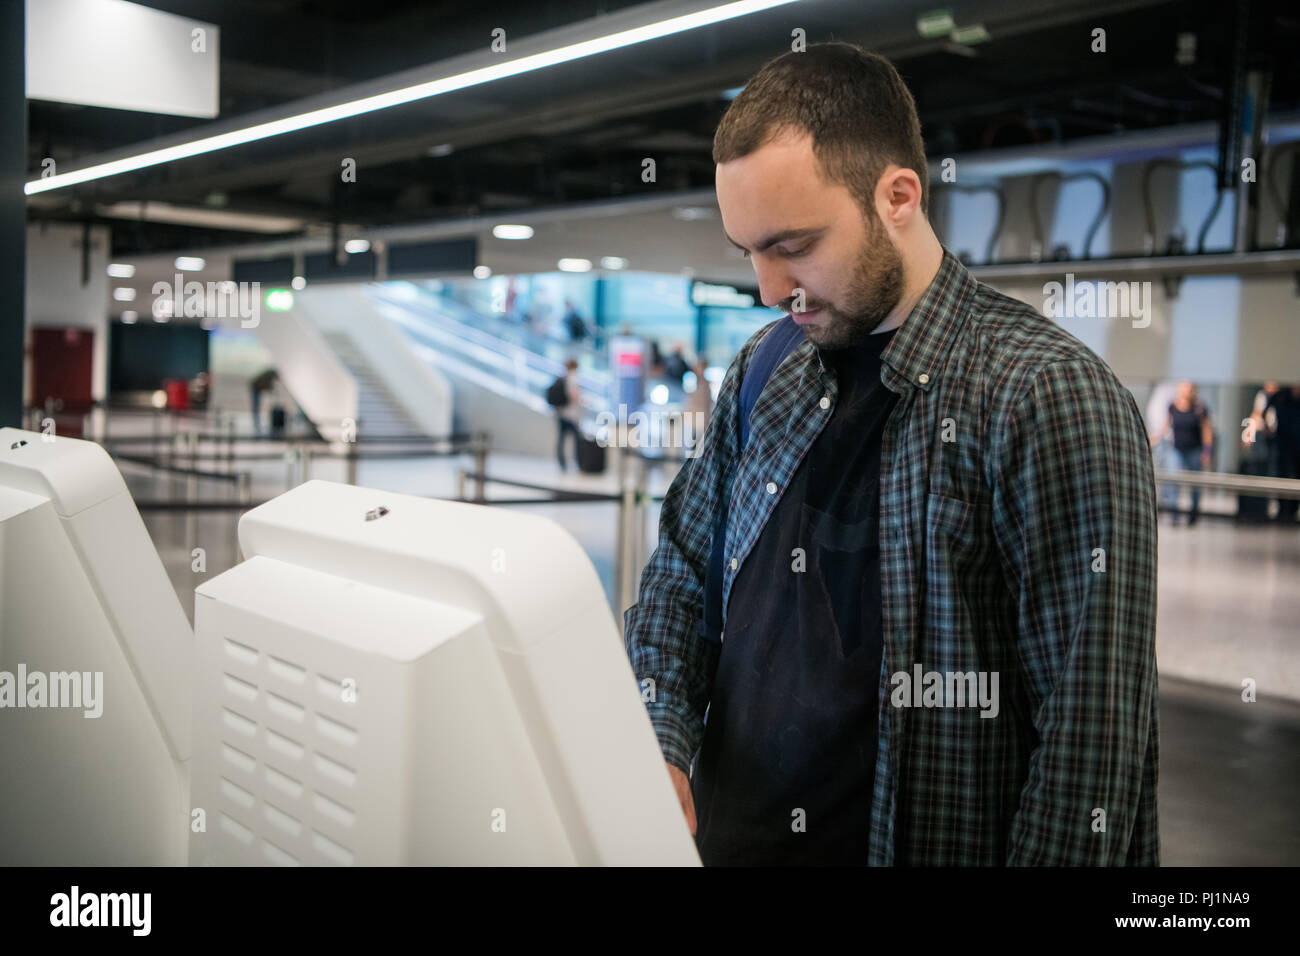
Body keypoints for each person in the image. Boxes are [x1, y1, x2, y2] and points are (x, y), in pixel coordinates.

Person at [622, 42, 1159, 866]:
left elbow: (1089, 744)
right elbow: (682, 575)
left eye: (794, 246)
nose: (769, 288)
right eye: (750, 252)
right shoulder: (766, 370)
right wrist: (659, 742)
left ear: (898, 196)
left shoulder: (1043, 396)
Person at [1149, 381, 1213, 526]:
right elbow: (1166, 425)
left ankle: (1194, 512)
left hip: (1195, 449)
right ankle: (1174, 513)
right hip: (1176, 449)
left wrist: (1207, 451)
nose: (1186, 391)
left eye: (1189, 388)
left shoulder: (1200, 408)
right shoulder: (1172, 406)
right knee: (1173, 479)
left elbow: (1207, 429)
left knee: (1195, 483)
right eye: (1184, 388)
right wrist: (1156, 438)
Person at [1266, 384, 1300, 524]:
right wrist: (1268, 429)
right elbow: (1265, 410)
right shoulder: (1280, 396)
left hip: (1298, 444)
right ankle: (1283, 509)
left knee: (1297, 476)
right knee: (1282, 474)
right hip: (1283, 443)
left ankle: (1293, 509)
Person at [553, 358, 581, 471]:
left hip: (561, 413)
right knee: (576, 439)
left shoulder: (562, 378)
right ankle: (577, 461)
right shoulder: (572, 378)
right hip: (570, 415)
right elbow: (573, 396)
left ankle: (562, 462)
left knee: (561, 439)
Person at [249, 368, 277, 435]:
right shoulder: (267, 377)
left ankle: (257, 423)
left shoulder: (268, 376)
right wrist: (271, 390)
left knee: (257, 406)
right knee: (256, 407)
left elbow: (268, 386)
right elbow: (266, 385)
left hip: (257, 388)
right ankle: (256, 423)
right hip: (255, 388)